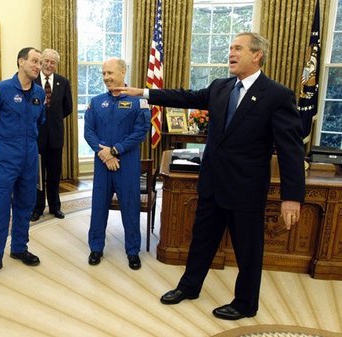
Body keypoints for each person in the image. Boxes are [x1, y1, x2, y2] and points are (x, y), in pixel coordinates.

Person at [116, 32, 305, 320]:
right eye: (230, 48)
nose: (231, 53)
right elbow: (186, 96)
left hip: (246, 191)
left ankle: (245, 304)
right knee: (201, 240)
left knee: (248, 252)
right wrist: (145, 92)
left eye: (238, 48)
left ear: (257, 55)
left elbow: (291, 150)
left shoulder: (277, 95)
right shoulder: (221, 87)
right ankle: (189, 287)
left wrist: (291, 198)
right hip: (212, 184)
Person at [0, 47, 45, 283]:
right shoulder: (0, 90)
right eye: (34, 61)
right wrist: (1, 150)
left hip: (29, 158)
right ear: (21, 62)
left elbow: (39, 123)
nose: (38, 65)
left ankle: (19, 247)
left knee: (26, 204)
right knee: (0, 209)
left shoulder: (39, 93)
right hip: (5, 157)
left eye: (40, 62)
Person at [84, 57, 151, 270]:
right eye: (103, 73)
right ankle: (96, 248)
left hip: (127, 163)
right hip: (102, 164)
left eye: (110, 73)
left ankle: (133, 251)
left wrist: (115, 151)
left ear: (123, 71)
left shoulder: (138, 101)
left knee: (130, 207)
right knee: (99, 206)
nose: (106, 78)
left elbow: (141, 131)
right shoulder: (96, 102)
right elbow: (88, 131)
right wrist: (104, 153)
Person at [30, 48, 73, 222]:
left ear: (56, 65)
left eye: (52, 62)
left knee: (55, 175)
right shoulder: (33, 82)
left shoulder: (63, 82)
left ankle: (55, 207)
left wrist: (52, 120)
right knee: (38, 175)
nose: (48, 64)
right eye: (45, 61)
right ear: (41, 62)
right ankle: (37, 208)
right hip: (37, 137)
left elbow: (68, 107)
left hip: (55, 137)